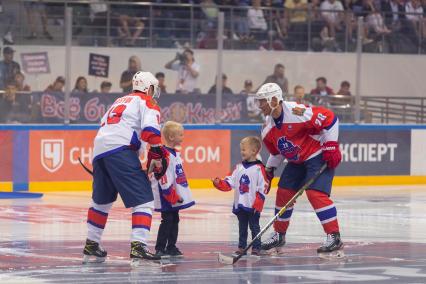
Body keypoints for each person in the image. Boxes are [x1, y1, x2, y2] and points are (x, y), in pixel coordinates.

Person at [82, 71, 168, 264]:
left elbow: (105, 123)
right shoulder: (147, 101)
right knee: (144, 199)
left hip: (99, 150)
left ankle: (92, 243)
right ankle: (139, 245)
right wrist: (156, 152)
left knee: (101, 201)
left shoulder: (120, 100)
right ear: (149, 87)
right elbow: (151, 130)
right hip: (121, 149)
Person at [255, 83, 344, 258]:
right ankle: (279, 235)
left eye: (263, 101)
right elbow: (277, 153)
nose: (260, 105)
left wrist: (331, 145)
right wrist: (269, 170)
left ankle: (334, 237)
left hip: (317, 155)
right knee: (283, 192)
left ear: (274, 100)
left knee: (315, 194)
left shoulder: (297, 112)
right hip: (296, 161)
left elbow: (330, 119)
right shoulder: (267, 129)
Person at [212, 136, 269, 256]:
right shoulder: (238, 168)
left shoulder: (259, 169)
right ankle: (241, 247)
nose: (241, 152)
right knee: (242, 227)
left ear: (253, 151)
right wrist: (218, 183)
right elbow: (229, 183)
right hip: (240, 204)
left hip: (253, 205)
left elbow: (263, 187)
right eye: (241, 149)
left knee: (254, 227)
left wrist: (258, 203)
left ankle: (256, 247)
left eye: (244, 149)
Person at [152, 121, 195, 257]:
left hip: (174, 194)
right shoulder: (164, 153)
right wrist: (170, 194)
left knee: (175, 219)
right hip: (166, 194)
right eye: (180, 135)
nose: (183, 137)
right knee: (167, 219)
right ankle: (160, 248)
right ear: (171, 137)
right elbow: (163, 176)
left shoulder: (176, 153)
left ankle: (171, 246)